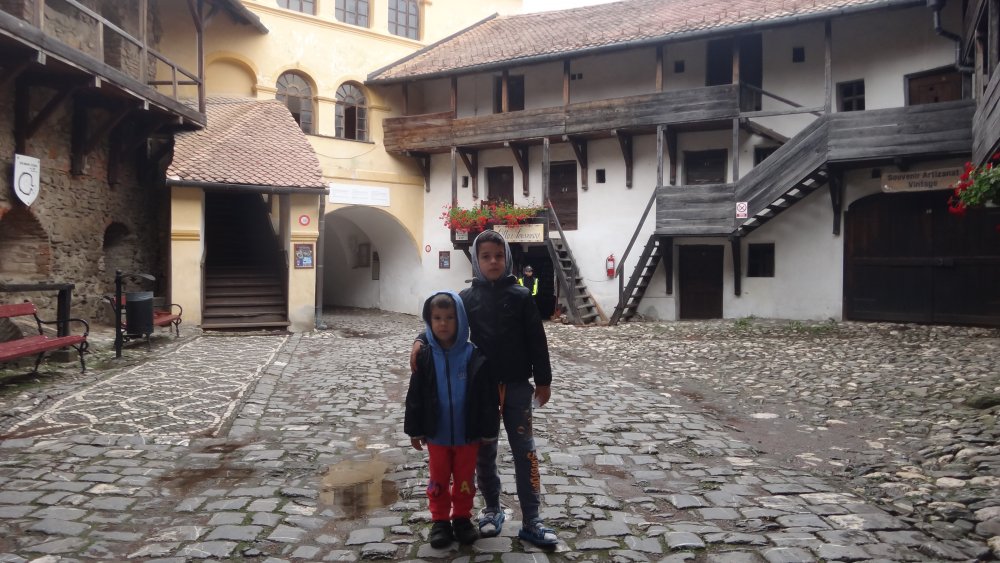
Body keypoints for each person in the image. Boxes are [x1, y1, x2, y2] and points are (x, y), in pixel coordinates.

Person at [411, 230, 557, 548]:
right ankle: (491, 509)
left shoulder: (521, 296)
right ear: (476, 260)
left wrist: (543, 380)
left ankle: (532, 519)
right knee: (484, 454)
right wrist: (420, 340)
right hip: (480, 391)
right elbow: (442, 320)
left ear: (507, 258)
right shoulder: (467, 298)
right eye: (486, 256)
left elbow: (537, 339)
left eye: (499, 256)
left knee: (525, 452)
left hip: (517, 388)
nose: (493, 261)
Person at [404, 291, 500, 548]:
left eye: (449, 317)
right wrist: (415, 430)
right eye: (437, 318)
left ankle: (461, 518)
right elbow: (415, 396)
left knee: (465, 481)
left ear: (460, 320)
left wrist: (488, 430)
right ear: (429, 321)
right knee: (438, 480)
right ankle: (440, 521)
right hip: (437, 435)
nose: (443, 324)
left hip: (468, 435)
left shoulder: (473, 355)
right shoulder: (425, 356)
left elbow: (486, 397)